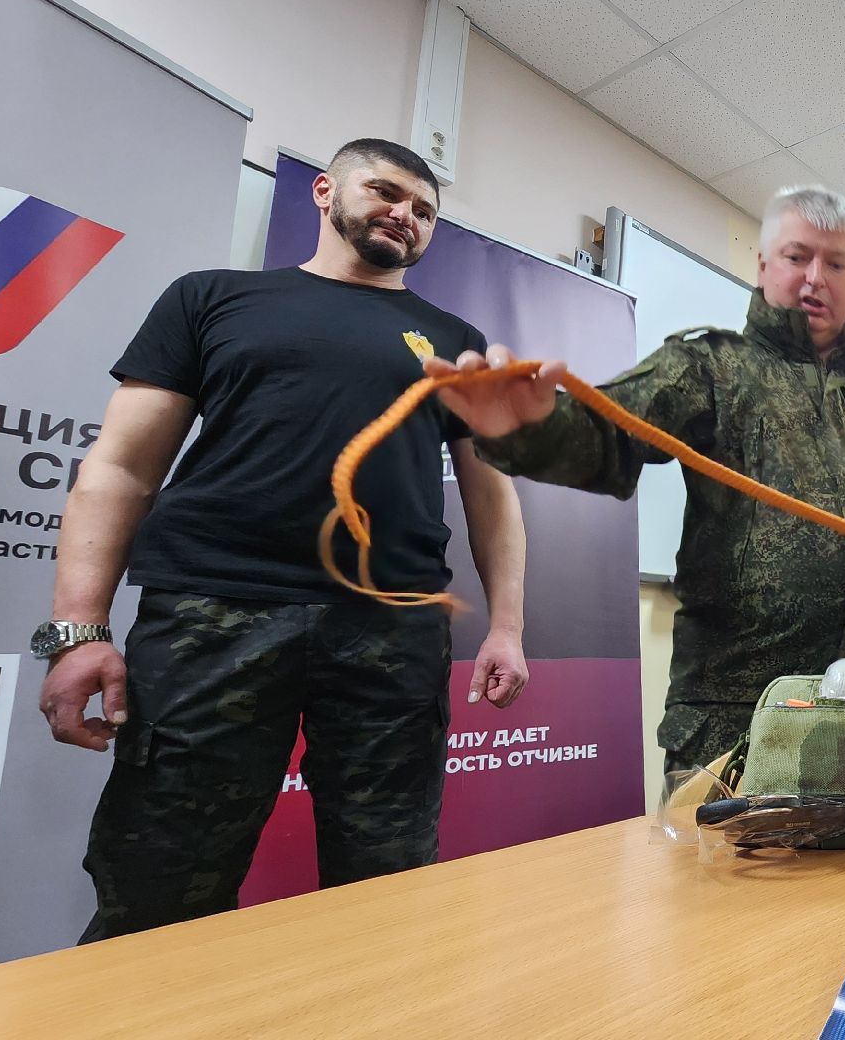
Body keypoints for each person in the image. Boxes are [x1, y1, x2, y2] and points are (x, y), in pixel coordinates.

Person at [35, 138, 530, 941]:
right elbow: (121, 470)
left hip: (391, 632)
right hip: (213, 617)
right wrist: (78, 629)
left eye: (425, 211)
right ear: (326, 190)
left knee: (387, 881)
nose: (404, 215)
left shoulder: (453, 337)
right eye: (386, 192)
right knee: (160, 882)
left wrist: (506, 625)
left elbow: (494, 497)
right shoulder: (212, 299)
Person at [426, 185, 845, 772]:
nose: (815, 277)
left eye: (837, 263)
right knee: (726, 907)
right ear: (765, 264)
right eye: (798, 255)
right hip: (738, 719)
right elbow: (609, 433)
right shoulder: (709, 365)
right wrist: (527, 426)